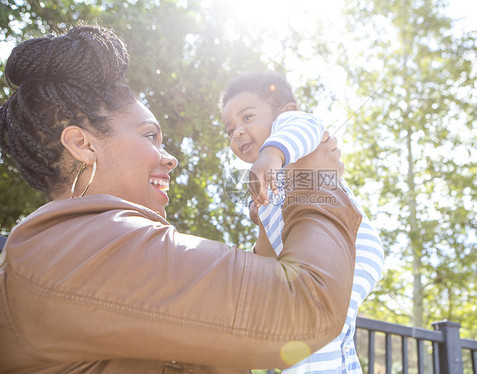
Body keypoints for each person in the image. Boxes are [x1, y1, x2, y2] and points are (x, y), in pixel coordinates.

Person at [0, 25, 363, 374]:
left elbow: (257, 308)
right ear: (82, 144)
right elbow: (305, 305)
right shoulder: (83, 248)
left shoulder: (85, 247)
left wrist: (271, 225)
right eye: (149, 135)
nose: (170, 158)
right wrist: (315, 181)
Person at [219, 72, 385, 373]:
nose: (237, 133)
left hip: (348, 247)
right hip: (310, 265)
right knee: (323, 335)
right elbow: (268, 254)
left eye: (247, 118)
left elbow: (305, 128)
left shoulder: (291, 131)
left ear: (285, 113)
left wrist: (272, 154)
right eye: (229, 129)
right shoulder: (263, 182)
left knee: (314, 328)